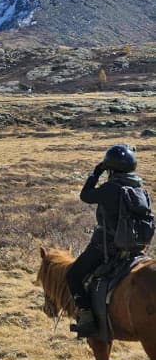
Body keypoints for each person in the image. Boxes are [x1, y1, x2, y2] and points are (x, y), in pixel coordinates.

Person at [67, 143, 148, 336]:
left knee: (73, 275)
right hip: (135, 248)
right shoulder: (140, 189)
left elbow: (85, 195)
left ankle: (87, 317)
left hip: (107, 248)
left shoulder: (110, 188)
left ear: (110, 168)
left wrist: (96, 173)